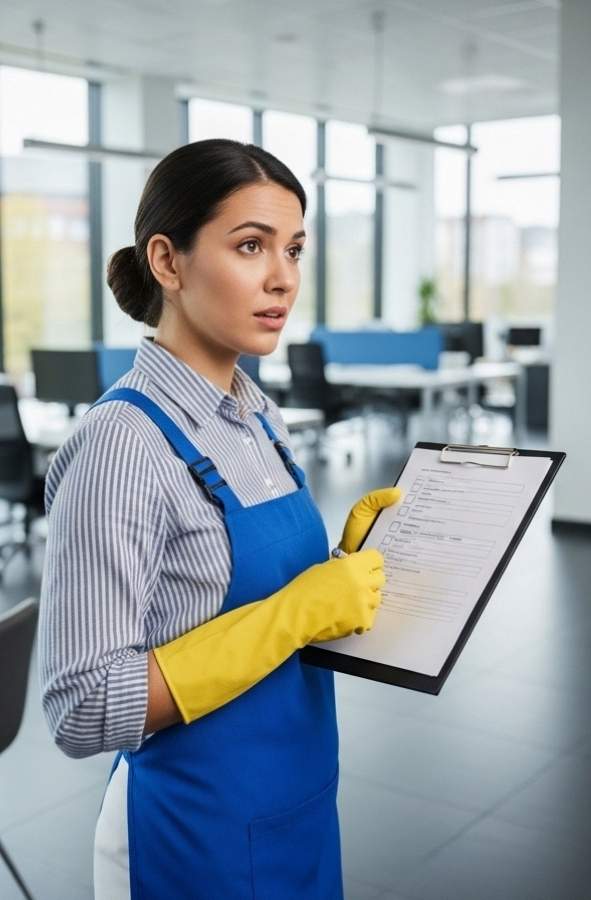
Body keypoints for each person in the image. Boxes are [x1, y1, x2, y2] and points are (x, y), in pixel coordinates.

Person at [39, 138, 398, 899]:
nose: (283, 279)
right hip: (190, 836)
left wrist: (333, 573)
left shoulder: (258, 416)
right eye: (249, 246)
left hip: (297, 807)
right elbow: (83, 706)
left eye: (294, 250)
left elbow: (228, 596)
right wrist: (292, 616)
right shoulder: (120, 446)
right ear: (167, 263)